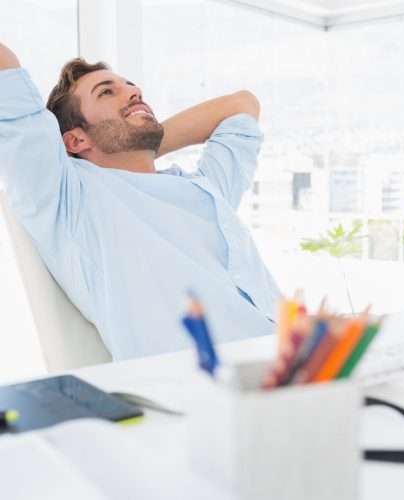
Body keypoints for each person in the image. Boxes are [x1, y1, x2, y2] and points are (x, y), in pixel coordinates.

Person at [0, 42, 280, 360]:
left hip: (304, 363)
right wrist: (122, 140)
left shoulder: (205, 187)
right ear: (75, 140)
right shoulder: (68, 199)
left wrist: (134, 141)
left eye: (131, 87)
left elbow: (243, 105)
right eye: (107, 92)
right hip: (223, 390)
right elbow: (4, 68)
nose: (134, 92)